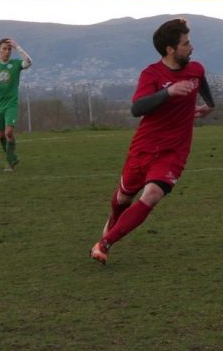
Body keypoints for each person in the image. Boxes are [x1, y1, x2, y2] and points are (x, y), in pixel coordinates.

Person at [90, 18, 215, 265]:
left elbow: (201, 83)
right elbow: (137, 108)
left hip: (174, 150)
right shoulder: (152, 74)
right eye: (186, 43)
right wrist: (167, 92)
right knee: (124, 198)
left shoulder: (196, 69)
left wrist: (209, 105)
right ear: (170, 49)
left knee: (153, 194)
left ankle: (104, 244)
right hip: (145, 147)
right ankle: (114, 218)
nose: (191, 47)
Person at [0, 38, 32, 171]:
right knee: (1, 135)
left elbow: (29, 62)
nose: (7, 52)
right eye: (4, 49)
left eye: (9, 49)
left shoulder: (15, 64)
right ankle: (12, 158)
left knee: (8, 132)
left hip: (11, 104)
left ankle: (9, 162)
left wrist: (18, 47)